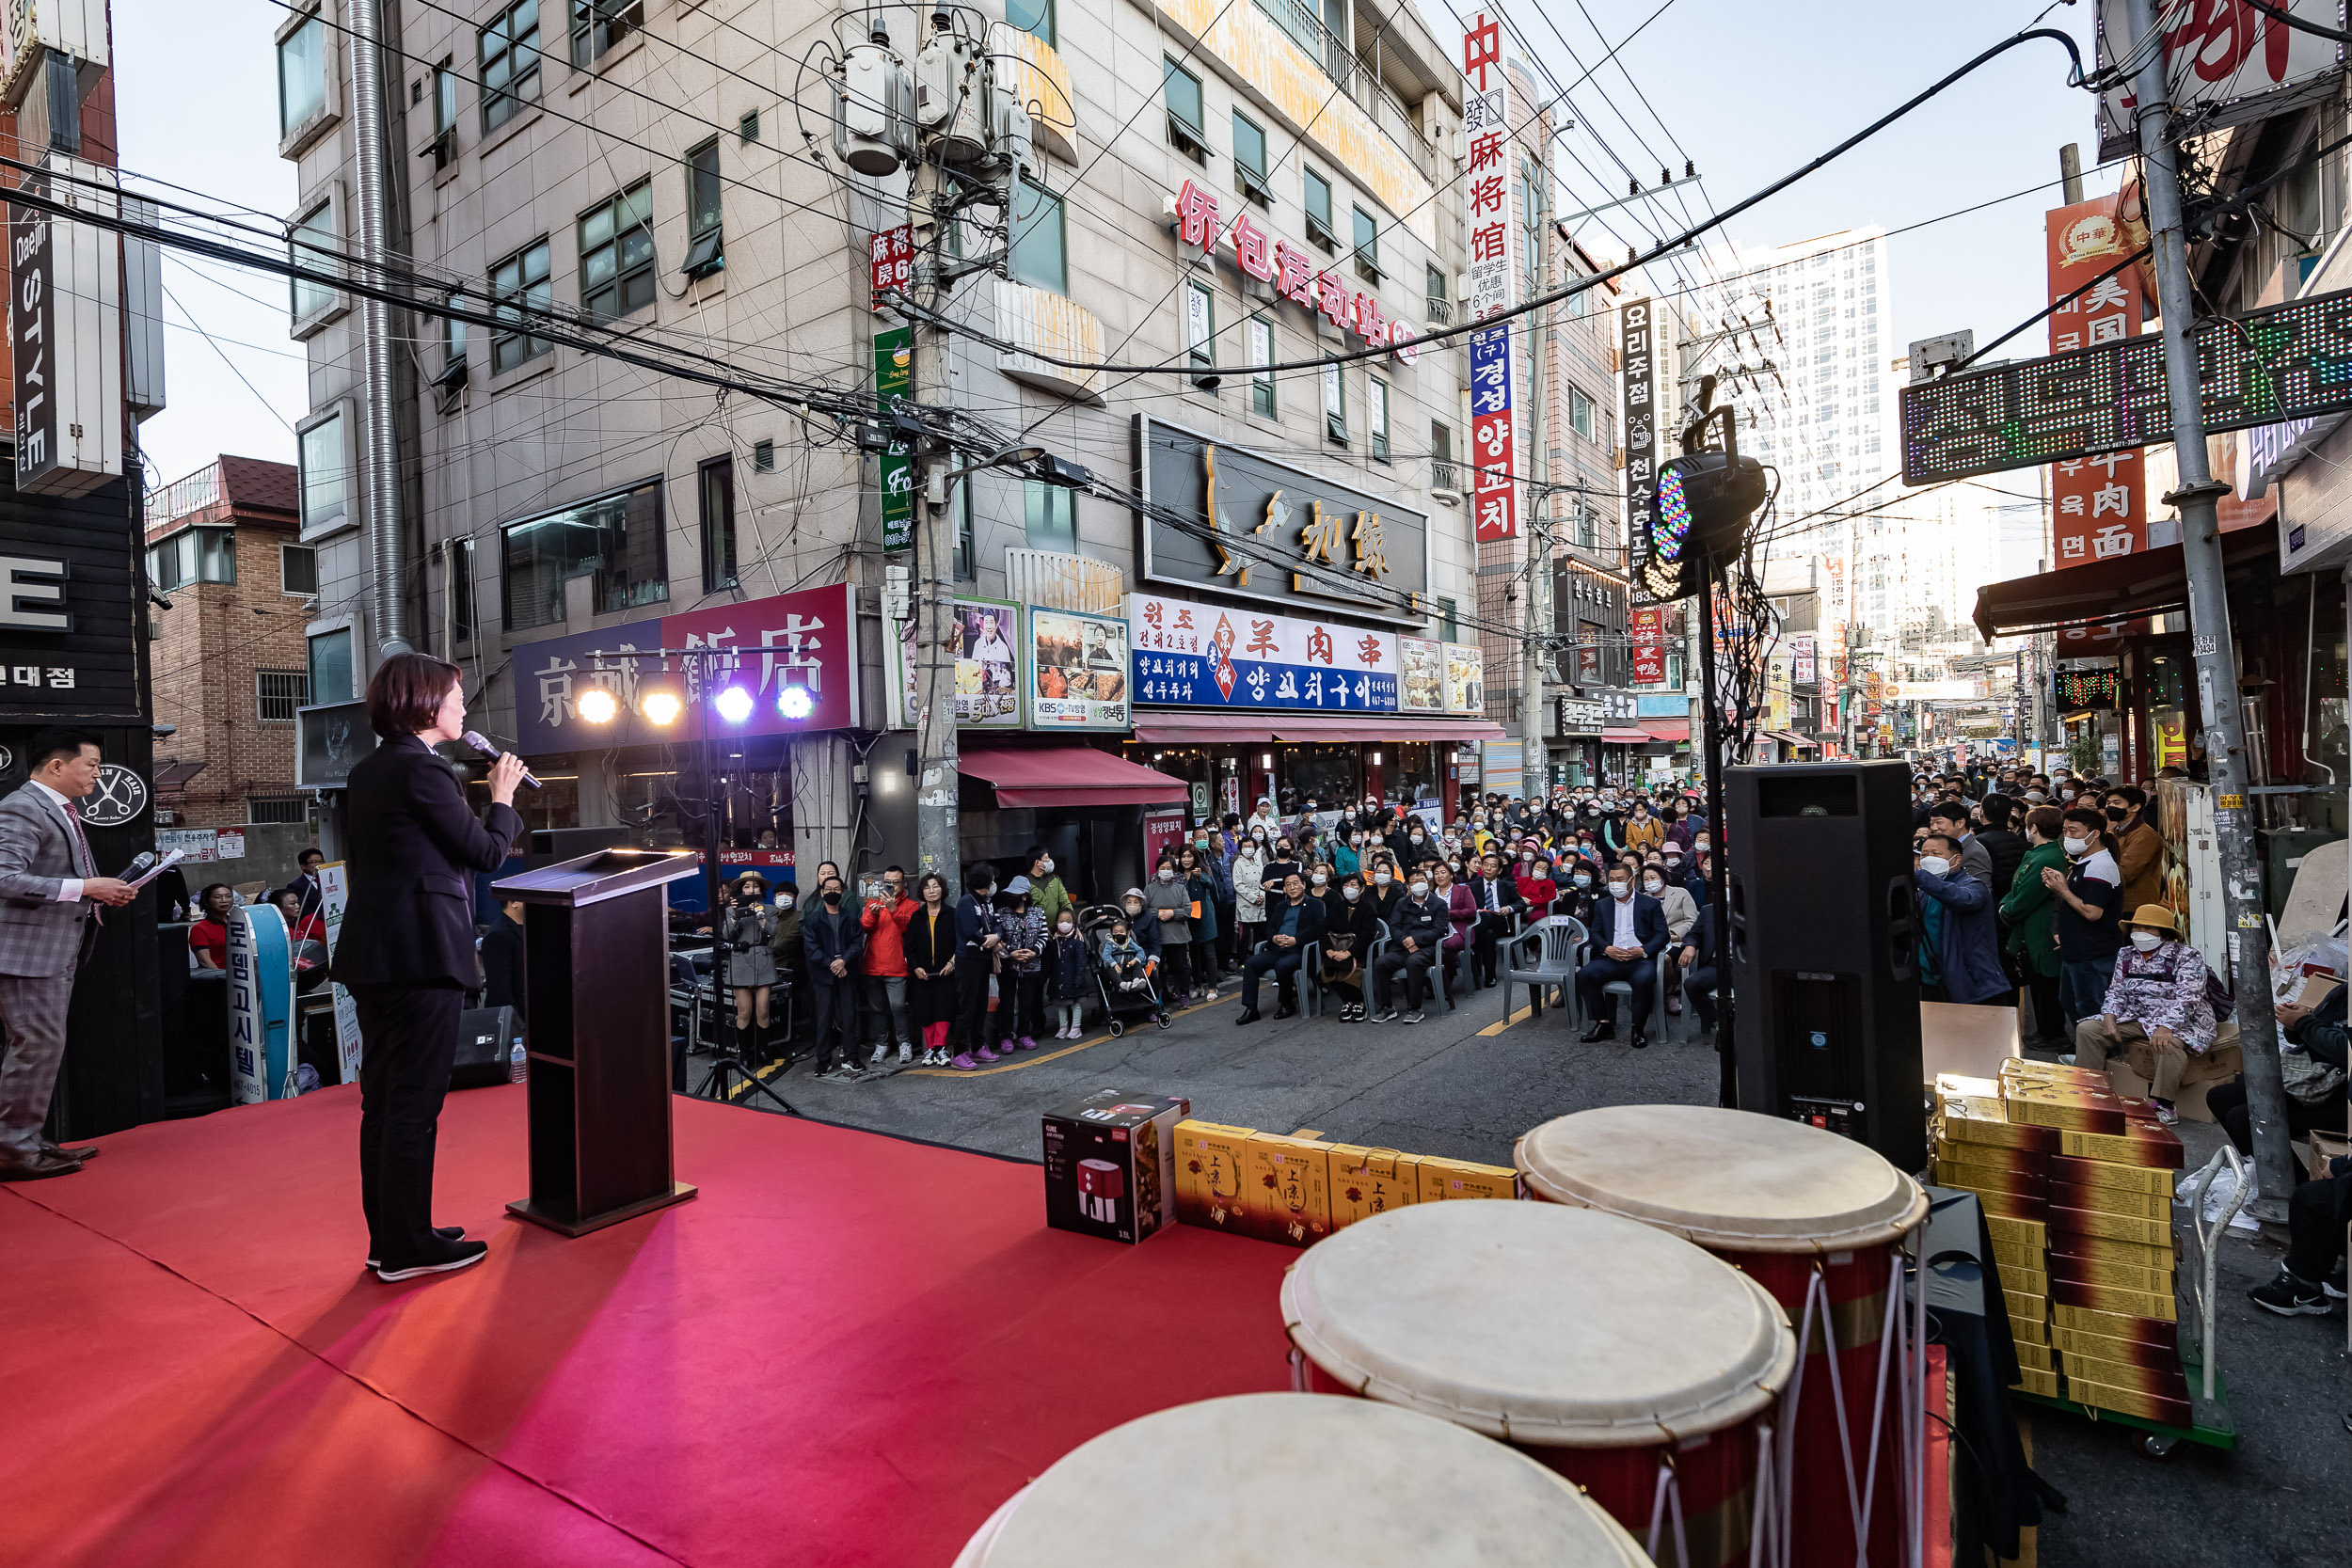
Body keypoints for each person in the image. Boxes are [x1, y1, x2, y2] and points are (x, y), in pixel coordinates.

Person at [336, 656, 524, 1278]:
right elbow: (486, 852)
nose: (463, 708)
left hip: (378, 952)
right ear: (424, 702)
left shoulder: (369, 772)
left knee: (384, 1101)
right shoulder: (424, 771)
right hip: (421, 953)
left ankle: (392, 1233)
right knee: (413, 1102)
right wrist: (501, 798)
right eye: (455, 696)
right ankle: (407, 1245)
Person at [0, 729, 141, 1180]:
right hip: (26, 955)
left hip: (51, 950)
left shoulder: (55, 808)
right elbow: (4, 878)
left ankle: (26, 1141)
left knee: (41, 1048)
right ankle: (13, 1151)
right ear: (57, 766)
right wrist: (87, 887)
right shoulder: (22, 807)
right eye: (93, 765)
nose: (98, 776)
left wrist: (98, 893)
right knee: (35, 1047)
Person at [2066, 905, 2216, 1123]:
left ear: (2163, 933)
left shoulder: (2186, 956)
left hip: (2183, 1019)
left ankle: (2165, 1106)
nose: (2140, 932)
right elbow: (2116, 990)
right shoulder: (2126, 955)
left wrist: (2167, 1027)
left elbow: (2189, 997)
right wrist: (2109, 1017)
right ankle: (2090, 1091)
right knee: (2088, 1030)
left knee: (2167, 1045)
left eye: (2149, 928)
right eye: (2137, 926)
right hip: (2138, 1016)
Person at [2211, 986, 2346, 1156]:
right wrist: (2294, 1023)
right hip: (2309, 1080)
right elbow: (2304, 1037)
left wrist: (2303, 1022)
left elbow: (2345, 1050)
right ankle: (2262, 1169)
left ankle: (2287, 1180)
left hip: (2338, 1096)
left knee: (2243, 1118)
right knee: (2220, 1097)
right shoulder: (2342, 993)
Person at [2045, 807, 2124, 1028]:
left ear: (2095, 834)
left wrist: (2063, 890)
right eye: (2065, 831)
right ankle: (2082, 1051)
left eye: (2074, 831)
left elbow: (2092, 912)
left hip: (2093, 955)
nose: (2068, 837)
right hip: (2077, 950)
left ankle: (2098, 1059)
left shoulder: (2099, 867)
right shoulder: (2085, 861)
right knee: (2071, 1002)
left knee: (2092, 1011)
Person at [1576, 866, 1669, 1048]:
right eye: (1612, 879)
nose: (1615, 884)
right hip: (1611, 957)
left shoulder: (1650, 904)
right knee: (1585, 975)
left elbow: (1662, 935)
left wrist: (1643, 950)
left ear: (1631, 881)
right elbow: (1595, 932)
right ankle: (1603, 1024)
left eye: (1620, 879)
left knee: (1643, 979)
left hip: (1639, 958)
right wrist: (1606, 948)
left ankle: (1637, 1028)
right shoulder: (1603, 905)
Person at [1999, 806, 2070, 1050]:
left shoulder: (2046, 857)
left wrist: (2005, 909)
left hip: (2041, 929)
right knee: (2039, 984)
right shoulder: (2039, 853)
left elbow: (2026, 897)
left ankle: (2053, 1034)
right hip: (2032, 928)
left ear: (2034, 828)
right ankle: (2044, 1031)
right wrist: (2008, 903)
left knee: (2046, 986)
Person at [1915, 833, 2010, 1007]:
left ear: (1956, 859)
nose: (1928, 859)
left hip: (1969, 982)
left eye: (1936, 854)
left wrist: (1921, 877)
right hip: (1930, 980)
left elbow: (1964, 899)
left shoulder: (1973, 886)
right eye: (1924, 855)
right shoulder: (1924, 891)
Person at [801, 873, 866, 1081]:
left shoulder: (850, 917)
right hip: (823, 975)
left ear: (842, 892)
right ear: (821, 892)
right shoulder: (812, 920)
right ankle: (823, 1060)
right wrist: (833, 964)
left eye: (837, 889)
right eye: (828, 889)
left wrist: (843, 961)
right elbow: (812, 949)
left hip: (847, 971)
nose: (832, 892)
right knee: (823, 1018)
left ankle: (851, 1056)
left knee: (849, 1016)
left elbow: (858, 943)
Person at [1237, 871, 1322, 1023]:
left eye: (1295, 883)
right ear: (1284, 889)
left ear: (1303, 885)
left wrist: (1296, 940)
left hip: (1300, 950)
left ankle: (1287, 1003)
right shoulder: (1281, 906)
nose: (1292, 887)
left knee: (1282, 965)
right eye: (1288, 885)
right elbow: (1271, 926)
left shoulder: (1315, 905)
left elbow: (1318, 928)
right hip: (1277, 948)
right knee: (1250, 963)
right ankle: (1251, 1008)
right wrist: (1274, 938)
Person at [1372, 870, 1447, 1023]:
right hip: (1402, 946)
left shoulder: (1439, 904)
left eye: (1422, 880)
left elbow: (1439, 929)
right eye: (1414, 881)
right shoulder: (1401, 903)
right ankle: (1387, 1007)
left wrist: (1416, 940)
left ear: (1427, 881)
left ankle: (1415, 1009)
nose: (1418, 883)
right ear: (1408, 885)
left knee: (1413, 962)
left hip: (1428, 948)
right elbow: (1394, 926)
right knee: (1381, 963)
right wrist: (1405, 939)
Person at [722, 871, 782, 1063]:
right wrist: (734, 917)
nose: (750, 890)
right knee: (744, 1011)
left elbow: (773, 932)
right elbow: (727, 935)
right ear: (741, 890)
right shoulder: (731, 910)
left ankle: (763, 1050)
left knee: (763, 1010)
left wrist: (761, 915)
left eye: (755, 886)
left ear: (761, 890)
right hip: (740, 960)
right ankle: (744, 1053)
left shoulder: (770, 908)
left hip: (763, 959)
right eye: (746, 886)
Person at [861, 866, 917, 1068]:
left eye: (895, 882)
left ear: (903, 884)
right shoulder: (872, 903)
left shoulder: (911, 905)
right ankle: (881, 1043)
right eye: (887, 881)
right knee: (877, 1009)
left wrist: (893, 908)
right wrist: (874, 914)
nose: (890, 885)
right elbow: (865, 926)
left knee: (898, 1006)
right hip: (873, 965)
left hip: (896, 966)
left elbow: (909, 928)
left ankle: (904, 1042)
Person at [950, 864, 1003, 1070]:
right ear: (985, 882)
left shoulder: (987, 901)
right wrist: (987, 940)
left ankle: (978, 1045)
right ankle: (959, 1051)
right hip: (968, 960)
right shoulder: (966, 902)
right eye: (992, 880)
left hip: (983, 958)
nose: (993, 884)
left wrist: (996, 936)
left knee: (981, 1004)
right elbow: (969, 930)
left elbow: (996, 922)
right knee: (967, 1007)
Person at [904, 873, 959, 1065]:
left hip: (946, 972)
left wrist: (952, 962)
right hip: (923, 974)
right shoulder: (916, 917)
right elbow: (908, 947)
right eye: (927, 888)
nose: (932, 891)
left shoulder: (952, 914)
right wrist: (916, 967)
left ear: (942, 889)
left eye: (935, 886)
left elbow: (960, 943)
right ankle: (930, 1049)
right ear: (922, 892)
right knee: (925, 1010)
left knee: (944, 1009)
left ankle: (941, 1048)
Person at [998, 877, 1047, 1051]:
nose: (1012, 897)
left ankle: (1024, 1033)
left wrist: (1034, 951)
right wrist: (1011, 953)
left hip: (1031, 965)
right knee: (1006, 1002)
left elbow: (1044, 935)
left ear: (1025, 896)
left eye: (1016, 894)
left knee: (1028, 1001)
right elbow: (999, 939)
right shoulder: (1001, 913)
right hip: (1008, 966)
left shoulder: (1038, 913)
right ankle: (1005, 1036)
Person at [1320, 873, 1376, 1021]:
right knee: (1329, 968)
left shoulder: (1368, 909)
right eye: (1345, 885)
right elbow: (1324, 930)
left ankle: (1360, 1002)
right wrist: (1329, 950)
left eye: (1353, 885)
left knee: (1348, 967)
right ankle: (1348, 1001)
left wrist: (1349, 953)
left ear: (1362, 889)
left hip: (1358, 952)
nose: (1348, 889)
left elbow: (1366, 936)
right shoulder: (1337, 907)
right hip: (1335, 950)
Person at [1467, 851, 1524, 989]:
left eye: (1493, 866)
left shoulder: (1507, 885)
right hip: (1483, 925)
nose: (1488, 868)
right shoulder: (1472, 886)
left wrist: (1509, 908)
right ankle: (1490, 976)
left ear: (1499, 870)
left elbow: (1521, 904)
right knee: (1488, 935)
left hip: (1502, 924)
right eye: (1485, 865)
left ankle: (1471, 941)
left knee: (1486, 917)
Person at [1144, 855, 1195, 1006]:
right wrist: (1158, 913)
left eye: (1169, 869)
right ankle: (1158, 998)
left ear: (1174, 871)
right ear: (1157, 870)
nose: (1166, 871)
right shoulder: (1149, 888)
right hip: (1157, 936)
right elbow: (1144, 909)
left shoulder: (1179, 888)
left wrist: (1172, 913)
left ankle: (1184, 994)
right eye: (1162, 868)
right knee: (1156, 969)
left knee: (1181, 966)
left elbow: (1188, 910)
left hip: (1178, 935)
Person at [2105, 786, 2164, 912]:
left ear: (2135, 807)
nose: (2110, 807)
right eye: (2108, 803)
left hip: (2134, 908)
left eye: (2117, 803)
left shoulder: (2145, 835)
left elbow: (2125, 872)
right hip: (2118, 904)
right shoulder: (2117, 831)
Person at [479, 896, 527, 1018]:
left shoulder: (526, 929)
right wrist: (517, 1024)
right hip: (512, 1019)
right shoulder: (498, 935)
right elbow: (500, 989)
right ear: (514, 902)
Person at [1435, 860, 1474, 996]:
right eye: (1436, 873)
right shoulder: (1431, 894)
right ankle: (1431, 985)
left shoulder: (1463, 889)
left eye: (1443, 872)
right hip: (1436, 931)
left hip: (1458, 931)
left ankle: (1446, 984)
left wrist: (1448, 914)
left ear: (1451, 875)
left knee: (1446, 946)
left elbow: (1471, 911)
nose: (1439, 876)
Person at [1232, 834, 1268, 956]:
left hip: (1260, 903)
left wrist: (1261, 896)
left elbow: (1263, 881)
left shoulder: (1258, 863)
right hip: (1246, 904)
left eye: (1250, 846)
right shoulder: (1238, 864)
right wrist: (1253, 898)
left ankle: (1258, 957)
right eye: (1245, 846)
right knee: (1245, 935)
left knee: (1260, 933)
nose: (1248, 849)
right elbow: (1238, 885)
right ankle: (1242, 961)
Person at [1024, 847, 1073, 934]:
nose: (1050, 860)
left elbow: (1065, 903)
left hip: (1058, 931)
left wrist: (1073, 924)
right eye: (1047, 858)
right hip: (1036, 932)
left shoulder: (1055, 879)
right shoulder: (1025, 883)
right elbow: (1024, 912)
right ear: (1037, 862)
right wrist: (1041, 927)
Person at [188, 882, 235, 970]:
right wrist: (222, 978)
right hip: (217, 978)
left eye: (228, 896)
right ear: (207, 902)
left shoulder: (238, 923)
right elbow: (204, 961)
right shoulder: (199, 929)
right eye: (218, 897)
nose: (224, 900)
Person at [286, 846, 327, 927]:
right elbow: (301, 911)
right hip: (312, 927)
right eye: (314, 862)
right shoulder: (296, 886)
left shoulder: (328, 880)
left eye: (321, 861)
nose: (319, 864)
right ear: (303, 866)